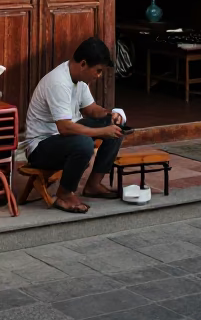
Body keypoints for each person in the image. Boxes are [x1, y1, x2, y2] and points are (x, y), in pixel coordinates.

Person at [24, 37, 125, 214]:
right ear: (84, 64)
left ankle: (93, 184)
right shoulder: (58, 82)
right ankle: (64, 193)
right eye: (98, 70)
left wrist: (111, 115)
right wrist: (102, 131)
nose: (99, 75)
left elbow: (91, 109)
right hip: (40, 147)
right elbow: (65, 128)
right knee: (84, 143)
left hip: (63, 139)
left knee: (115, 127)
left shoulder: (79, 80)